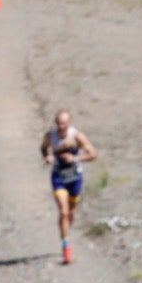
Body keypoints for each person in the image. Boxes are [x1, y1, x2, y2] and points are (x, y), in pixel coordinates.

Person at [40, 110, 97, 264]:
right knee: (63, 211)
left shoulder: (77, 136)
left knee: (71, 212)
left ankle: (65, 232)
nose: (61, 126)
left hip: (75, 177)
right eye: (58, 123)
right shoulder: (50, 136)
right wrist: (47, 156)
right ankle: (66, 247)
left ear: (69, 123)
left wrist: (75, 158)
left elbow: (93, 154)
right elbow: (44, 148)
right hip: (58, 176)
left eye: (64, 123)